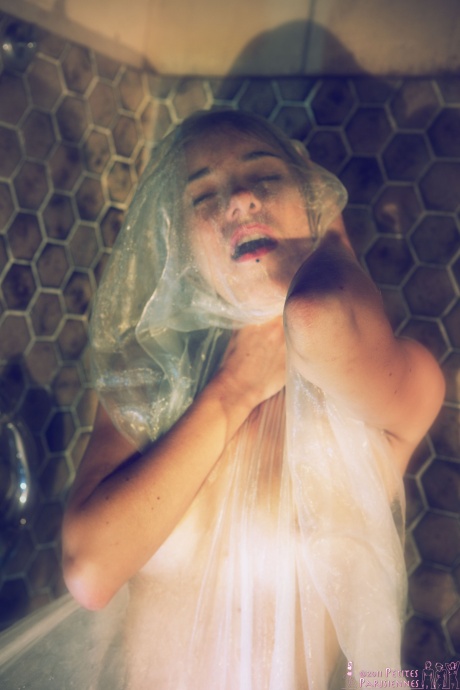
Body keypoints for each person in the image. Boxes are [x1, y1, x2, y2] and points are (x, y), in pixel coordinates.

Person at [61, 109, 445, 689]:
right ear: (178, 242)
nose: (240, 199)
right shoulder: (151, 382)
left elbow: (316, 315)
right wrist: (232, 391)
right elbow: (91, 571)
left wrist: (330, 233)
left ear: (313, 201)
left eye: (265, 177)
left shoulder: (395, 390)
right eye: (203, 196)